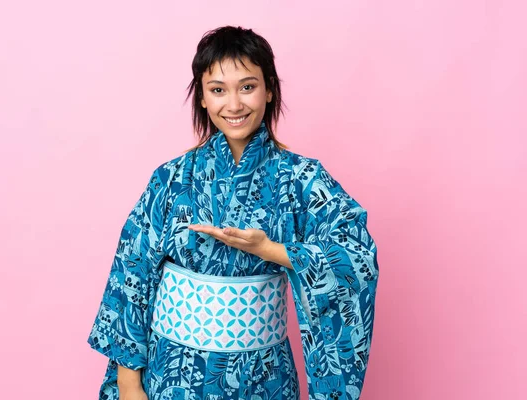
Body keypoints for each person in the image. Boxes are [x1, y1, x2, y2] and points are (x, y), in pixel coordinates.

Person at [87, 25, 380, 400]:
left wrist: (270, 250)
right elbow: (131, 275)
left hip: (265, 378)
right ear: (203, 99)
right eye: (218, 90)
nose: (234, 104)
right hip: (174, 375)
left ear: (269, 89)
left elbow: (357, 255)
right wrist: (129, 384)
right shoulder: (171, 179)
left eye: (247, 86)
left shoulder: (303, 179)